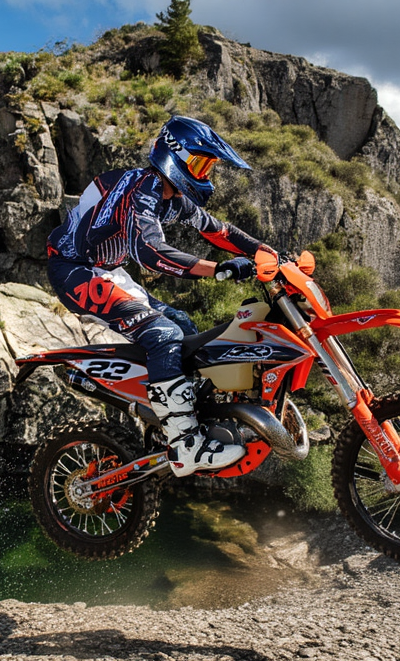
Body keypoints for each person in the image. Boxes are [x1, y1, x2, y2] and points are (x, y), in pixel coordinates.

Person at [46, 115, 280, 477]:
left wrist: (268, 253)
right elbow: (151, 254)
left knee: (183, 326)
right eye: (200, 163)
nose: (205, 174)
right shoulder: (142, 190)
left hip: (105, 269)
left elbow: (218, 230)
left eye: (209, 166)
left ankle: (169, 421)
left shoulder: (169, 195)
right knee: (165, 335)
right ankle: (186, 444)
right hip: (74, 269)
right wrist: (218, 269)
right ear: (175, 156)